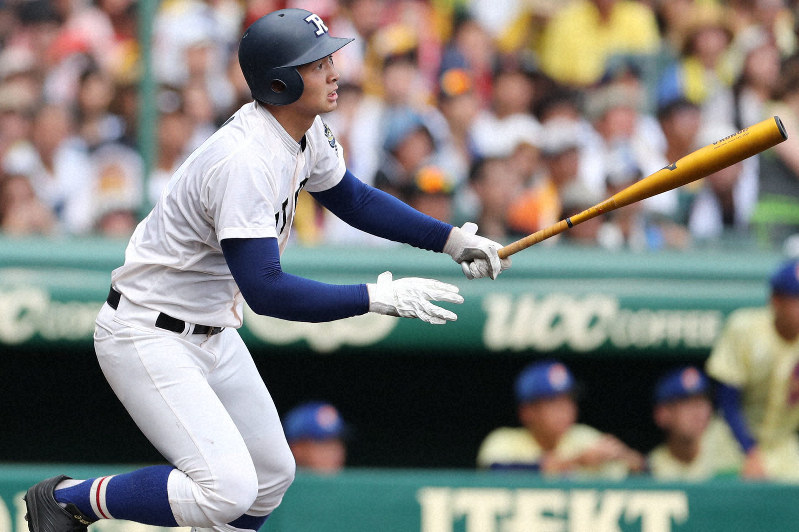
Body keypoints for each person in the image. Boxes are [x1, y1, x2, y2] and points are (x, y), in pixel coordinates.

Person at [23, 9, 510, 532]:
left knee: (271, 475)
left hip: (211, 329)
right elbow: (267, 291)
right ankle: (72, 500)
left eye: (329, 59)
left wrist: (451, 240)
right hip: (148, 331)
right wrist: (376, 297)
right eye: (317, 63)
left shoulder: (302, 129)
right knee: (227, 489)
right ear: (280, 81)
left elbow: (352, 198)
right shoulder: (245, 160)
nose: (334, 71)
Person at [705, 258, 799, 482]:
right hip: (732, 441)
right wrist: (750, 452)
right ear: (775, 301)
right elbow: (726, 401)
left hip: (782, 445)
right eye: (796, 300)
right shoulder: (745, 328)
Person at [476, 360, 644, 478]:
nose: (565, 410)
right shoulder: (504, 440)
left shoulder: (584, 437)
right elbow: (496, 471)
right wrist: (576, 461)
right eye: (553, 402)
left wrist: (625, 457)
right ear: (527, 412)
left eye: (568, 400)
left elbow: (640, 469)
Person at [647, 366, 742, 481]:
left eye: (702, 402)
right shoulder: (654, 465)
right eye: (688, 404)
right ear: (662, 414)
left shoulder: (730, 437)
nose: (699, 412)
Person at [283, 401, 349, 474]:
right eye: (323, 444)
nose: (334, 453)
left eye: (336, 442)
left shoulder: (349, 484)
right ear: (296, 449)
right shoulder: (277, 483)